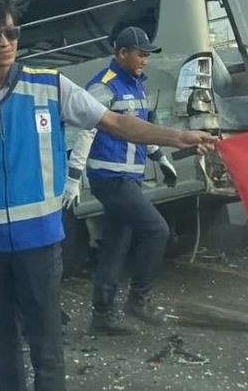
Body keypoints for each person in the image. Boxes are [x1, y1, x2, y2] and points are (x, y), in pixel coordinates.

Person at [0, 0, 215, 391]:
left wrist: (177, 137)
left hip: (41, 243)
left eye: (12, 33)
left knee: (47, 348)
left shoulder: (50, 86)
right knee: (3, 346)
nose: (5, 43)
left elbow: (115, 122)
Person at [66, 26, 179, 336]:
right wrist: (74, 177)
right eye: (140, 54)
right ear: (122, 53)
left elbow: (140, 128)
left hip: (129, 176)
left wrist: (161, 159)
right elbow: (85, 130)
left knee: (116, 245)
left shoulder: (136, 86)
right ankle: (138, 300)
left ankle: (102, 315)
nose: (145, 60)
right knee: (157, 230)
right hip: (110, 177)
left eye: (147, 55)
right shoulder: (104, 86)